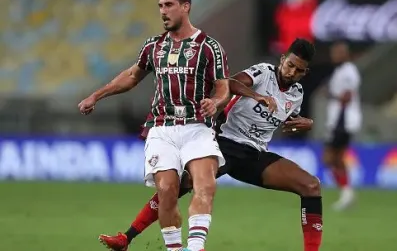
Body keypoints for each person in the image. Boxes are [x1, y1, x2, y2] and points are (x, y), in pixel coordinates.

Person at [99, 39, 323, 251]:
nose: (292, 72)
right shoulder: (264, 73)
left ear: (306, 72)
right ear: (282, 59)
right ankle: (126, 237)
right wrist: (257, 96)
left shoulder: (297, 94)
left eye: (299, 70)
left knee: (311, 186)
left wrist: (307, 122)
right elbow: (230, 83)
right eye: (290, 65)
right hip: (225, 142)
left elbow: (290, 117)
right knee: (181, 183)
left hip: (254, 154)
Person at [79, 0, 233, 251]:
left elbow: (223, 86)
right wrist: (97, 95)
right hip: (162, 128)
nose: (163, 11)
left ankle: (195, 248)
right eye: (160, 6)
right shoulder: (153, 46)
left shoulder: (209, 47)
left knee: (205, 184)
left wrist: (217, 102)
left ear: (185, 7)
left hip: (197, 126)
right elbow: (131, 76)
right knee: (166, 191)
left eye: (169, 5)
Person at [322, 41, 362, 211]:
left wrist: (331, 95)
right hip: (338, 120)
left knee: (330, 158)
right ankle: (347, 193)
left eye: (338, 53)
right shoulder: (339, 71)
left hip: (343, 121)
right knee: (336, 158)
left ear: (346, 54)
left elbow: (346, 97)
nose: (334, 56)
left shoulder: (348, 72)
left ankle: (347, 192)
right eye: (333, 53)